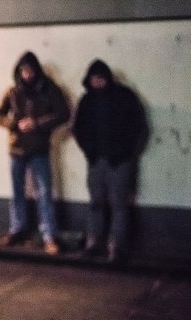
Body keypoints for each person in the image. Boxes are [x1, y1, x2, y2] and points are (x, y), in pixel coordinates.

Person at [0, 51, 70, 255]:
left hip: (39, 149)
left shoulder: (49, 89)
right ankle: (17, 230)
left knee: (44, 193)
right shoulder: (13, 91)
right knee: (17, 192)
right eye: (24, 71)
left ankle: (49, 236)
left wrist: (37, 124)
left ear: (37, 70)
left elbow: (63, 113)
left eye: (30, 70)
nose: (27, 74)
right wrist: (15, 124)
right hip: (17, 148)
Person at [73, 59, 148, 263]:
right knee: (96, 202)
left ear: (107, 78)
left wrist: (128, 153)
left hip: (120, 161)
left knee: (118, 204)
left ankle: (116, 247)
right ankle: (94, 242)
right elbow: (78, 128)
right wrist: (90, 152)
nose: (98, 82)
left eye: (100, 78)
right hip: (97, 160)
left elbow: (139, 127)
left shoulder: (125, 97)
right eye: (94, 79)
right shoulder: (86, 101)